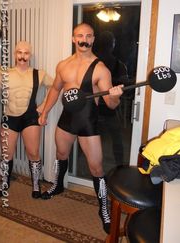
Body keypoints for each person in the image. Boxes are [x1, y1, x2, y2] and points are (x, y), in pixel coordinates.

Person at [38, 23, 123, 234]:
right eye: (79, 35)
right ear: (73, 38)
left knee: (97, 168)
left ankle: (104, 208)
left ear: (93, 39)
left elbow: (111, 104)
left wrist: (114, 96)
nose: (83, 39)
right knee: (61, 154)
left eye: (88, 36)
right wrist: (45, 111)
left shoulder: (101, 69)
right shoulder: (63, 65)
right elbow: (55, 91)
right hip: (67, 119)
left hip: (88, 122)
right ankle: (58, 185)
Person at [0, 41, 53, 198]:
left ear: (30, 55)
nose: (22, 56)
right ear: (14, 54)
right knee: (7, 154)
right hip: (10, 118)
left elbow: (55, 87)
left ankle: (35, 185)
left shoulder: (38, 73)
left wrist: (43, 107)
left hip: (30, 118)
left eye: (26, 53)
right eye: (19, 52)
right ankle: (4, 183)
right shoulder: (4, 72)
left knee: (33, 152)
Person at [97, 31, 129, 166]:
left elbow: (124, 84)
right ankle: (120, 166)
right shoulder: (94, 64)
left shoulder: (117, 65)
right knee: (115, 139)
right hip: (97, 108)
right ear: (112, 45)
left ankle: (119, 166)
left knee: (115, 139)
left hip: (108, 108)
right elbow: (125, 84)